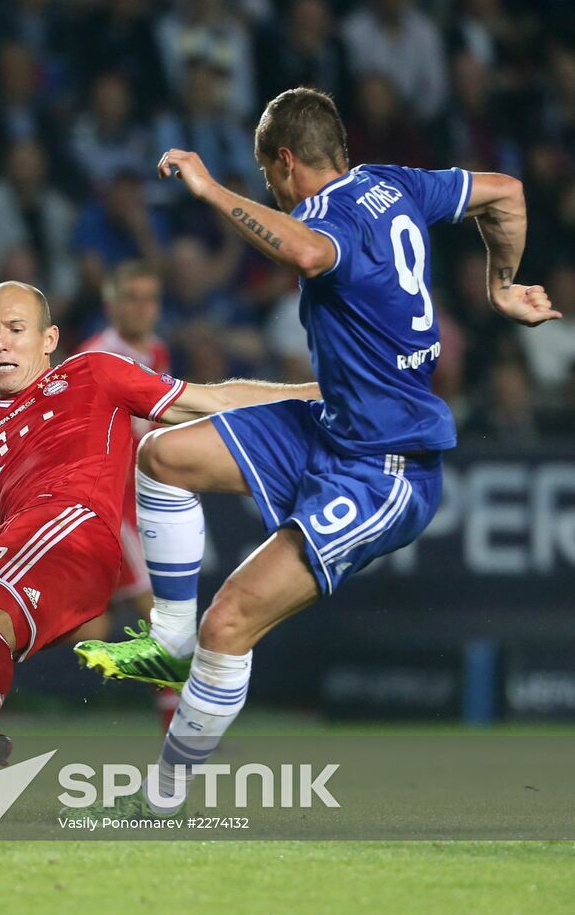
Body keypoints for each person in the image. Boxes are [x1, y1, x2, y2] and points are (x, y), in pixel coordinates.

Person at [74, 86, 561, 816]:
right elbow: (507, 193)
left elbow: (305, 251)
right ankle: (167, 637)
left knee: (229, 622)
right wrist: (499, 286)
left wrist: (210, 188)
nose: (273, 189)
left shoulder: (322, 214)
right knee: (163, 458)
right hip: (333, 421)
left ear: (286, 162)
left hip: (382, 468)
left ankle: (165, 792)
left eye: (269, 176)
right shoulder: (396, 184)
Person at [0, 280, 321, 813]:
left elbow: (212, 401)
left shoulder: (92, 373)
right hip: (11, 564)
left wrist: (317, 392)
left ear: (48, 338)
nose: (0, 342)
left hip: (77, 535)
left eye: (14, 329)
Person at [75, 262, 179, 729]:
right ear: (110, 303)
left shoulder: (155, 350)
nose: (141, 307)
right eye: (131, 296)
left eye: (149, 297)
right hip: (111, 507)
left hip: (141, 504)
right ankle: (183, 735)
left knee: (90, 626)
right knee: (165, 615)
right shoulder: (96, 358)